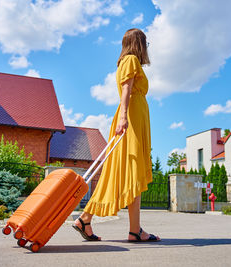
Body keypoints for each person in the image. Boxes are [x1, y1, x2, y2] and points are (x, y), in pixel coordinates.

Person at [72, 28, 160, 242]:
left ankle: (133, 229)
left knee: (132, 175)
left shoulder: (127, 61)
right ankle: (87, 218)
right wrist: (123, 118)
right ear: (138, 43)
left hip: (134, 121)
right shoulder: (130, 60)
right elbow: (126, 90)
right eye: (145, 43)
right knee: (125, 173)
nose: (146, 48)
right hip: (130, 121)